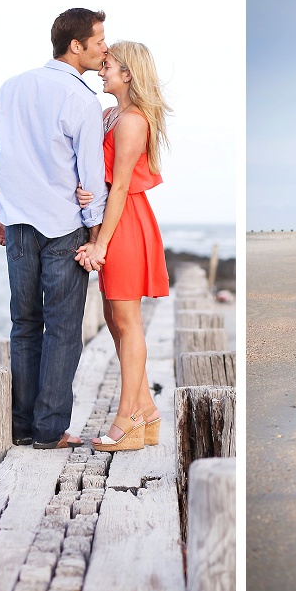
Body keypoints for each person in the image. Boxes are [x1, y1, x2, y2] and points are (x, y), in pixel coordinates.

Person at [0, 8, 109, 450]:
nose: (104, 49)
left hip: (16, 222)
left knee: (24, 323)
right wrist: (95, 234)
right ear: (76, 45)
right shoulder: (83, 100)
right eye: (99, 41)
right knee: (63, 328)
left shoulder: (10, 87)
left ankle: (21, 426)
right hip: (64, 225)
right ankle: (49, 430)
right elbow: (90, 176)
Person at [74, 40, 172, 452]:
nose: (101, 68)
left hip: (126, 222)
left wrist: (100, 243)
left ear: (127, 73)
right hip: (112, 217)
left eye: (108, 64)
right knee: (115, 321)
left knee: (128, 322)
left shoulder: (133, 121)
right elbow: (98, 173)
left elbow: (121, 188)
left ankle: (127, 419)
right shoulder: (109, 114)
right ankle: (147, 410)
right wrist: (85, 192)